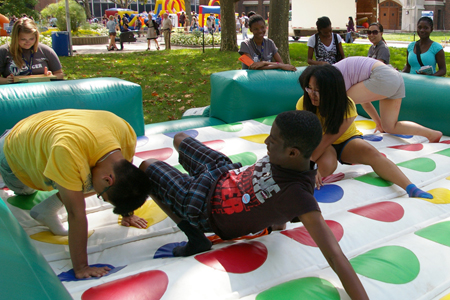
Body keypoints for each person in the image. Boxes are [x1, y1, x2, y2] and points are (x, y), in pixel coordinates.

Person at [139, 111, 369, 300]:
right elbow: (275, 200)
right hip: (224, 173)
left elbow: (335, 256)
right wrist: (277, 221)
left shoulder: (298, 195)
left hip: (204, 206)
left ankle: (193, 234)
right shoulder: (292, 161)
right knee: (179, 138)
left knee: (147, 167)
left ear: (292, 152)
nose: (267, 142)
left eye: (273, 139)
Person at [0, 109, 152, 279]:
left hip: (44, 128)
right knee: (27, 192)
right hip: (13, 151)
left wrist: (127, 214)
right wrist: (81, 267)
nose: (99, 196)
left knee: (83, 180)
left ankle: (46, 208)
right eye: (102, 196)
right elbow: (75, 214)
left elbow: (127, 177)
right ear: (108, 180)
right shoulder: (67, 152)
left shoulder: (125, 136)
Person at [296, 64, 434, 201]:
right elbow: (307, 139)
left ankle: (411, 188)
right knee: (326, 165)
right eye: (309, 88)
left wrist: (310, 165)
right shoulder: (304, 104)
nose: (312, 94)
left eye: (318, 91)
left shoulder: (346, 105)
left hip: (344, 140)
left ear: (332, 90)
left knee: (370, 152)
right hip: (319, 141)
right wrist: (310, 166)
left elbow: (331, 137)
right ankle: (297, 183)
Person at [334, 56, 442, 142]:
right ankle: (432, 134)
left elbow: (342, 104)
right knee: (390, 127)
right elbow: (365, 102)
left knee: (342, 101)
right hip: (395, 77)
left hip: (383, 76)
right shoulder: (339, 71)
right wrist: (378, 122)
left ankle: (338, 136)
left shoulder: (333, 77)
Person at [0, 17, 63, 84]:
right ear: (15, 37)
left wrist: (50, 77)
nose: (28, 42)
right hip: (15, 92)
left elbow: (59, 74)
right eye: (23, 39)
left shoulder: (46, 50)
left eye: (31, 39)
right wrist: (6, 81)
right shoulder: (4, 51)